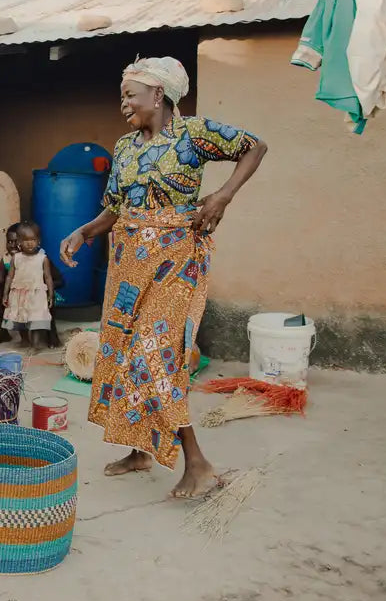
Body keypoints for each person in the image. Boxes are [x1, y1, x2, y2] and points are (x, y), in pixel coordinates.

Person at [59, 56, 267, 498]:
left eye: (130, 95)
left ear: (159, 95)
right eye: (122, 97)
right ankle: (140, 450)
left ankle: (198, 463)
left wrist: (222, 197)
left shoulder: (193, 134)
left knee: (154, 356)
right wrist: (83, 231)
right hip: (128, 263)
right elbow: (115, 207)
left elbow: (255, 146)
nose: (123, 105)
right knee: (121, 351)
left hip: (177, 261)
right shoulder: (124, 147)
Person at [3, 222, 56, 352]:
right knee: (20, 319)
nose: (29, 243)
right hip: (18, 295)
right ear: (19, 241)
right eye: (25, 240)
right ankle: (25, 340)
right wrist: (5, 293)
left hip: (36, 294)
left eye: (33, 239)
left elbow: (48, 277)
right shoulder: (16, 258)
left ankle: (35, 345)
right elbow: (9, 276)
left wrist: (51, 294)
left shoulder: (42, 259)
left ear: (39, 241)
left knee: (35, 320)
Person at [0, 224, 22, 345]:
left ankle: (46, 335)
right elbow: (0, 275)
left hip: (32, 290)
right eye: (9, 241)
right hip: (14, 290)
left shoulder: (36, 257)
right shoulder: (7, 257)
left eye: (16, 241)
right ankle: (3, 331)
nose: (12, 245)